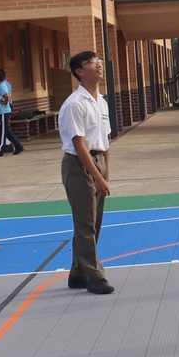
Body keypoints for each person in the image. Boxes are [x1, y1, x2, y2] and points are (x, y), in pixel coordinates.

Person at [59, 50, 115, 295]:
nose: (99, 65)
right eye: (92, 62)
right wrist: (96, 176)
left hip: (97, 162)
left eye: (99, 61)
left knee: (94, 221)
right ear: (79, 72)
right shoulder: (74, 104)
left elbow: (105, 140)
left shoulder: (101, 101)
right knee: (85, 224)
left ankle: (78, 272)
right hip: (79, 165)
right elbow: (79, 144)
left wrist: (105, 172)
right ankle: (94, 276)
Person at [0, 67, 23, 155]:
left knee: (2, 131)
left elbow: (7, 96)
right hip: (0, 111)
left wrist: (5, 102)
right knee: (6, 130)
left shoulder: (2, 86)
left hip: (3, 111)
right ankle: (18, 146)